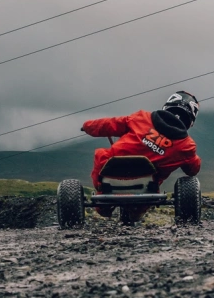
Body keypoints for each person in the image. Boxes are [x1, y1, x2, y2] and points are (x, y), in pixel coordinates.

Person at [81, 91, 201, 221]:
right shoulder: (186, 146)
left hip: (111, 175)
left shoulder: (141, 117)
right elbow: (193, 170)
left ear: (167, 107)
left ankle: (102, 202)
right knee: (141, 205)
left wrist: (87, 126)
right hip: (147, 189)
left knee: (102, 155)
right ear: (190, 121)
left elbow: (110, 124)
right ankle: (135, 212)